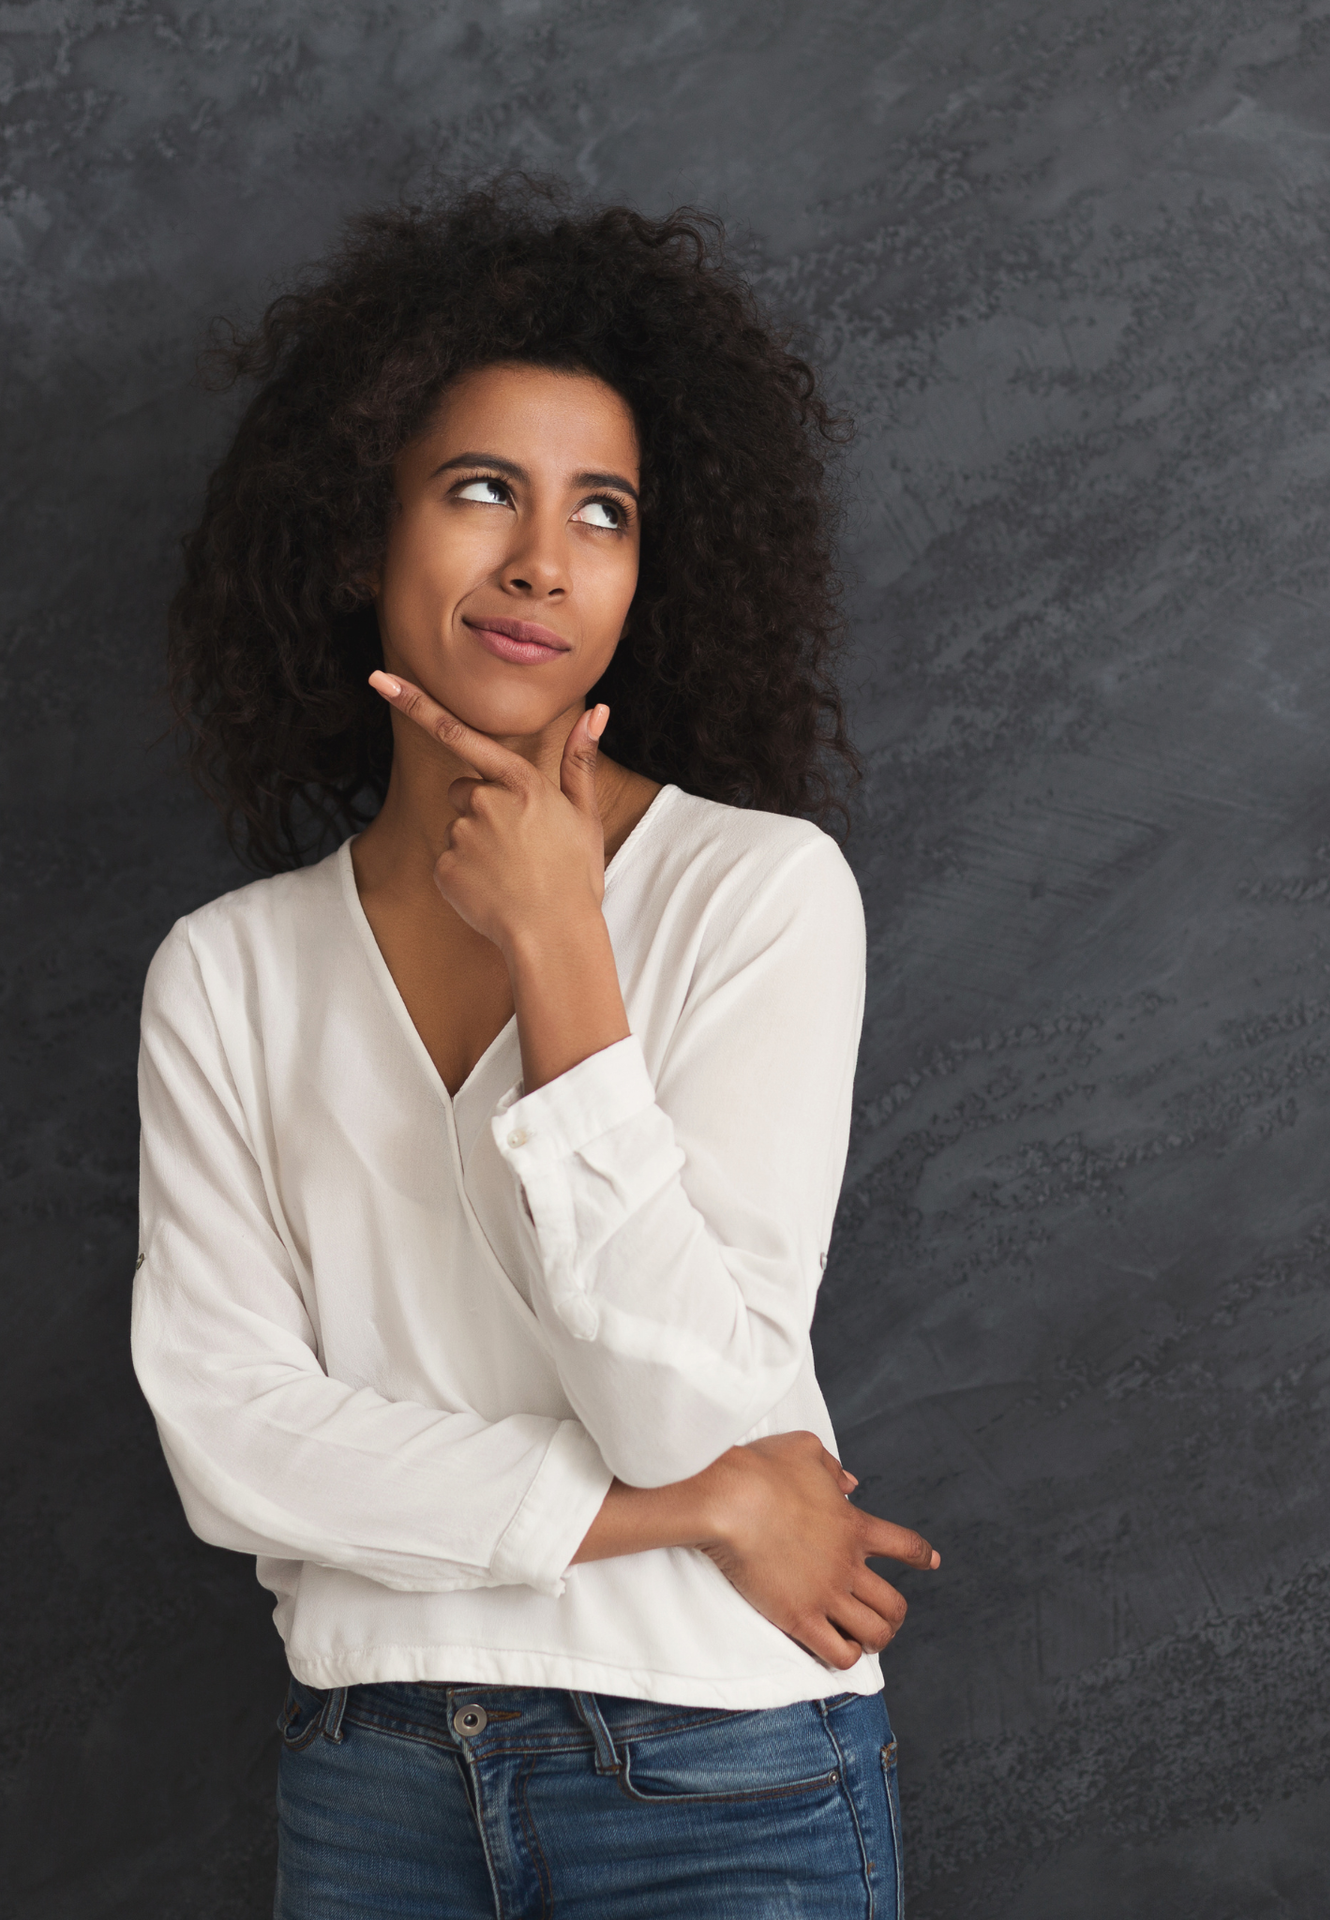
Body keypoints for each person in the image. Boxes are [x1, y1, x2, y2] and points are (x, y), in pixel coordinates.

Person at [131, 176, 938, 1919]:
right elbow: (239, 1446)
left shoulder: (758, 897)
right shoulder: (226, 974)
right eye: (481, 489)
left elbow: (692, 1408)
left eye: (605, 513)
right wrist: (705, 1520)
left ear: (657, 568)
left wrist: (568, 950)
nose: (539, 563)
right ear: (364, 533)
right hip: (374, 1789)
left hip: (722, 1781)